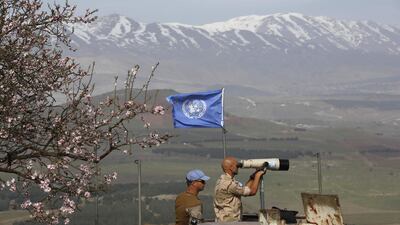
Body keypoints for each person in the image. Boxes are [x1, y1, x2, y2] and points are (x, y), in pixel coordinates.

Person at [214, 156, 265, 222]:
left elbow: (245, 190)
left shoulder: (222, 181)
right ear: (231, 168)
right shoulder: (229, 184)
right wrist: (258, 175)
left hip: (223, 220)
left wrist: (253, 177)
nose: (238, 167)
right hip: (230, 221)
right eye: (237, 166)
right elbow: (252, 191)